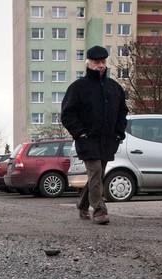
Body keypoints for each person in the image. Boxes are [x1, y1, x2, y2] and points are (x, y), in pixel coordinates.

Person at [61, 45, 128, 225]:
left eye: (103, 62)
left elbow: (123, 112)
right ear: (88, 63)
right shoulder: (78, 88)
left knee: (97, 176)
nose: (101, 65)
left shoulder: (114, 88)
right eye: (97, 62)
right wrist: (80, 132)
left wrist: (118, 132)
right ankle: (99, 210)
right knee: (96, 171)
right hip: (87, 139)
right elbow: (67, 114)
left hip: (107, 140)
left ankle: (82, 204)